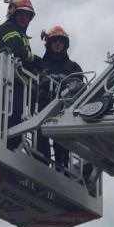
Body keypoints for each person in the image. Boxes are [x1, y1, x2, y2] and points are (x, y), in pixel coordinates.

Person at [0, 0, 42, 150]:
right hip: (7, 81)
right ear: (13, 14)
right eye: (21, 14)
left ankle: (14, 145)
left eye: (27, 16)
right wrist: (37, 62)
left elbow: (23, 58)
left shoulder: (20, 34)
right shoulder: (8, 29)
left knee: (19, 118)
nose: (24, 18)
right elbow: (18, 51)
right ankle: (8, 145)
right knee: (11, 118)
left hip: (18, 82)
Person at [36, 26, 84, 170]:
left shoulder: (74, 67)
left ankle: (61, 166)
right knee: (41, 134)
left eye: (60, 41)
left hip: (65, 110)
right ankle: (42, 162)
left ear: (65, 45)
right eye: (54, 41)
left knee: (62, 137)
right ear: (49, 44)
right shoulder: (40, 65)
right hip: (44, 107)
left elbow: (81, 89)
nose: (57, 44)